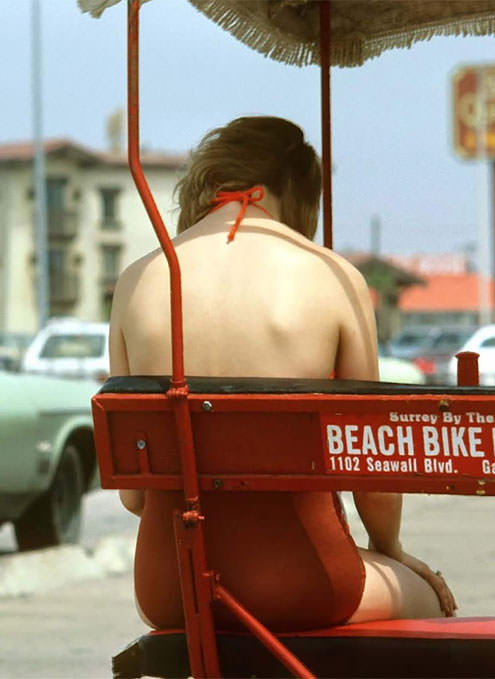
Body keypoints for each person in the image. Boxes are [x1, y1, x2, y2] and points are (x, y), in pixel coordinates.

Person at [109, 116, 456, 632]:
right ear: (295, 189)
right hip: (306, 579)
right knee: (432, 601)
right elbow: (374, 471)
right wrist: (391, 552)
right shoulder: (332, 275)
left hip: (168, 585)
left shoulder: (137, 279)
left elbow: (135, 495)